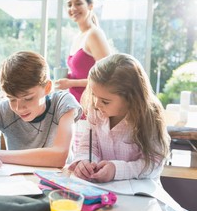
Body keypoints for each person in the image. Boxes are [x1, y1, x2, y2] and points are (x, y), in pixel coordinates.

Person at [67, 53, 170, 183]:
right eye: (94, 95)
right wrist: (85, 162)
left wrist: (116, 170)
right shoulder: (96, 110)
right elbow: (88, 145)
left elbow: (154, 164)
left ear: (130, 98)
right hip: (101, 188)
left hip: (140, 193)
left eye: (105, 101)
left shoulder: (149, 118)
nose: (97, 104)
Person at [55, 0, 111, 102]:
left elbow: (107, 77)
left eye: (78, 3)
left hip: (92, 106)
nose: (73, 8)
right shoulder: (78, 37)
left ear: (90, 6)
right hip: (78, 105)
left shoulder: (94, 34)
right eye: (69, 5)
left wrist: (71, 83)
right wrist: (67, 79)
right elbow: (82, 72)